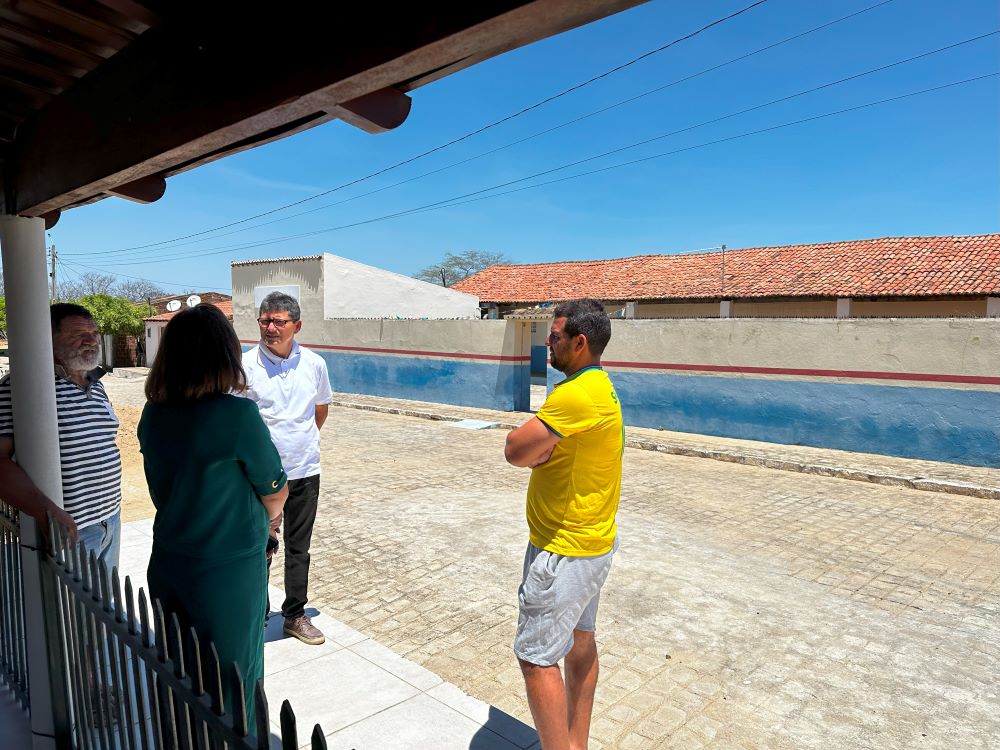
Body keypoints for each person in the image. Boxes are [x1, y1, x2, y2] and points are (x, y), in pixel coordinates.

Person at [138, 304, 288, 723]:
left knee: (179, 668)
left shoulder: (154, 414)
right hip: (227, 569)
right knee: (234, 679)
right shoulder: (236, 415)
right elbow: (274, 491)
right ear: (225, 354)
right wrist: (271, 525)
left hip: (169, 557)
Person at [504, 299, 623, 750]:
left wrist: (533, 449)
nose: (547, 344)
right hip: (589, 544)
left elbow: (515, 449)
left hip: (563, 549)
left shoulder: (575, 394)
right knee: (580, 642)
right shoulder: (600, 386)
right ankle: (575, 744)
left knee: (535, 659)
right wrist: (540, 450)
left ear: (580, 342)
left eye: (554, 337)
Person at [0, 303, 121, 567]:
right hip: (69, 530)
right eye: (78, 334)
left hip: (110, 520)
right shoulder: (23, 386)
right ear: (49, 340)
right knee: (67, 608)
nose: (91, 340)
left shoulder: (97, 385)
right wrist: (46, 513)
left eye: (93, 333)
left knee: (100, 607)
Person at [242, 292, 332, 645]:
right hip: (260, 478)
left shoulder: (315, 364)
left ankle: (295, 614)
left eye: (279, 321)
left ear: (297, 325)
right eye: (265, 320)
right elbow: (240, 423)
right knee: (259, 545)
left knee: (299, 547)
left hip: (306, 470)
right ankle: (255, 612)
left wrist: (298, 444)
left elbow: (320, 410)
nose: (271, 328)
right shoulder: (245, 366)